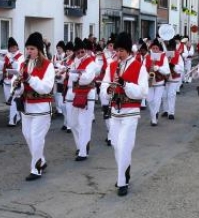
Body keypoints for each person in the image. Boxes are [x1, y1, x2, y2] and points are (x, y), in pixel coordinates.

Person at [100, 32, 148, 196]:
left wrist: (125, 84)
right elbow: (104, 89)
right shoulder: (111, 66)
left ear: (128, 50)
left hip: (130, 112)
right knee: (116, 145)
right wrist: (109, 89)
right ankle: (125, 171)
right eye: (117, 50)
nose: (118, 53)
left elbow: (142, 92)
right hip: (115, 111)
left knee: (125, 145)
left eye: (122, 50)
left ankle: (122, 182)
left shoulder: (138, 67)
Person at [11, 32, 55, 181]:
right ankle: (41, 160)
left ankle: (36, 169)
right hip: (27, 107)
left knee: (36, 138)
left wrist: (30, 78)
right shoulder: (23, 64)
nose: (29, 51)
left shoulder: (48, 66)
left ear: (39, 50)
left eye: (32, 49)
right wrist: (17, 86)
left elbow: (46, 88)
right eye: (28, 48)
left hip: (42, 107)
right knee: (28, 136)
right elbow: (18, 86)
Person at [65, 37, 97, 161]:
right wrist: (72, 73)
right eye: (78, 53)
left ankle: (83, 151)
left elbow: (86, 79)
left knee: (84, 123)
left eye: (82, 52)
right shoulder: (74, 62)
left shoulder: (91, 62)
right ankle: (82, 144)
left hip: (88, 94)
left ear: (85, 51)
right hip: (75, 93)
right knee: (72, 123)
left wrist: (74, 75)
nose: (80, 54)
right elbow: (69, 77)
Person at [145, 38, 170, 126]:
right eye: (153, 48)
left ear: (159, 49)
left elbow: (167, 70)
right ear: (151, 49)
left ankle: (154, 119)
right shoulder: (147, 57)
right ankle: (154, 114)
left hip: (159, 81)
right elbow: (143, 70)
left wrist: (157, 68)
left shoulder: (163, 57)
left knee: (157, 100)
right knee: (149, 100)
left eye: (157, 48)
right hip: (150, 81)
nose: (155, 50)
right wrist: (148, 74)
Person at [0, 37, 24, 127]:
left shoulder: (21, 56)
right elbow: (0, 68)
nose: (12, 49)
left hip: (15, 81)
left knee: (13, 100)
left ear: (17, 47)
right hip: (6, 81)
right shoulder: (6, 56)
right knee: (8, 100)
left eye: (14, 47)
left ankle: (12, 120)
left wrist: (12, 60)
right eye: (10, 47)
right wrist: (2, 60)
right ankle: (17, 116)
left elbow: (19, 68)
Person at [161, 39, 184, 120]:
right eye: (169, 48)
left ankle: (171, 112)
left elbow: (181, 68)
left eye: (172, 48)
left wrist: (173, 66)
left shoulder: (178, 55)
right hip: (165, 77)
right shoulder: (164, 55)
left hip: (174, 78)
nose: (170, 49)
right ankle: (165, 110)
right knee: (164, 95)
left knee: (171, 95)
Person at [52, 41, 66, 117]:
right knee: (55, 93)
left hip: (61, 77)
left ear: (63, 48)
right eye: (57, 48)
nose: (58, 50)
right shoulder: (55, 56)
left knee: (60, 93)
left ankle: (61, 110)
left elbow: (65, 67)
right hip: (55, 75)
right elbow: (52, 65)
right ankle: (58, 109)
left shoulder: (65, 56)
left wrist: (59, 68)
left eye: (59, 48)